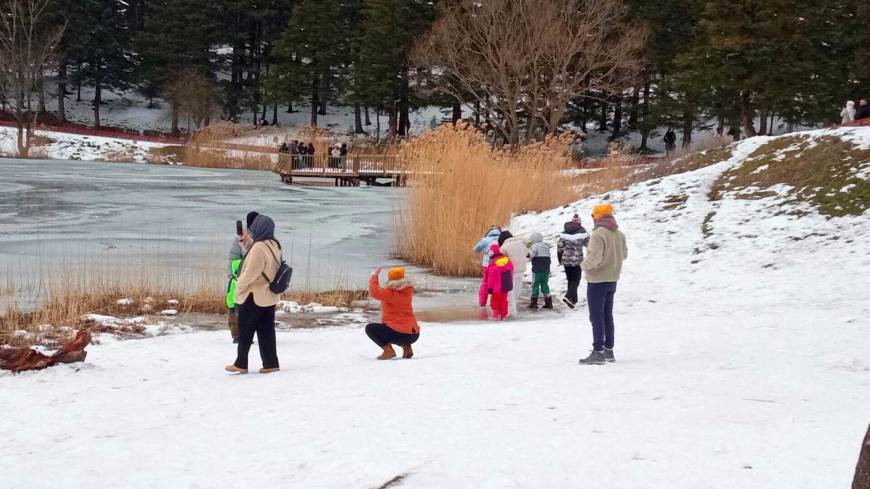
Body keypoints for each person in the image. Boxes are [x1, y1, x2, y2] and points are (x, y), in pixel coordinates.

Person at [225, 214, 282, 375]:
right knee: (266, 331)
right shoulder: (274, 244)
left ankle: (241, 363)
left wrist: (238, 288)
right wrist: (246, 242)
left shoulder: (259, 248)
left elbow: (251, 272)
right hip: (268, 296)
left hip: (253, 296)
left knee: (245, 329)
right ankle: (271, 363)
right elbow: (259, 254)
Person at [578, 203, 628, 365]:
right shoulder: (619, 234)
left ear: (598, 216)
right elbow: (624, 254)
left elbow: (593, 259)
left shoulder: (598, 234)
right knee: (607, 315)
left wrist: (582, 265)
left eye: (593, 216)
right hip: (612, 278)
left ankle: (597, 352)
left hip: (597, 279)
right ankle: (608, 351)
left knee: (596, 316)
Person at [365, 267, 420, 360]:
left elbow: (374, 292)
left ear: (390, 279)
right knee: (399, 327)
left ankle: (388, 350)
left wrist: (374, 276)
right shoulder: (408, 292)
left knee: (370, 328)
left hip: (400, 334)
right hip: (414, 334)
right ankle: (407, 349)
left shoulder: (391, 293)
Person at [226, 211, 259, 343]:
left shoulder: (263, 238)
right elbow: (233, 258)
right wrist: (231, 276)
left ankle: (248, 333)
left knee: (252, 308)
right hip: (239, 277)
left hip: (254, 280)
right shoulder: (240, 238)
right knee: (234, 306)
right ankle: (237, 334)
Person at [557, 214, 589, 309]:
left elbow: (559, 247)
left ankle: (573, 301)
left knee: (570, 280)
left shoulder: (564, 232)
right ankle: (568, 296)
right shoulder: (582, 232)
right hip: (577, 260)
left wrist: (560, 258)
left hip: (566, 260)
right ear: (579, 223)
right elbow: (589, 245)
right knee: (576, 280)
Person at [498, 230, 528, 317]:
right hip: (521, 270)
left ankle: (511, 312)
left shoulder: (504, 247)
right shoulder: (522, 244)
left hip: (511, 272)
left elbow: (500, 258)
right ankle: (513, 310)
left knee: (510, 292)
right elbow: (527, 252)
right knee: (517, 291)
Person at [474, 227, 502, 317]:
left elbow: (476, 249)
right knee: (498, 284)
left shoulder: (485, 240)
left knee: (485, 284)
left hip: (487, 265)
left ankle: (482, 303)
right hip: (499, 264)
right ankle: (496, 305)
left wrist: (485, 250)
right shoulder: (502, 239)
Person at [483, 243, 513, 320]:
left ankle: (495, 316)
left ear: (493, 252)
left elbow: (490, 277)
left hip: (496, 287)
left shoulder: (493, 263)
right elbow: (511, 271)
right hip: (506, 286)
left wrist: (489, 288)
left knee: (495, 301)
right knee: (504, 300)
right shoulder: (507, 260)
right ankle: (503, 315)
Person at [528, 232, 552, 309]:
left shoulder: (534, 246)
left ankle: (534, 303)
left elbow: (531, 255)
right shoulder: (546, 245)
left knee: (535, 284)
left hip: (537, 268)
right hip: (546, 268)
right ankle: (548, 302)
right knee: (545, 284)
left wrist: (527, 254)